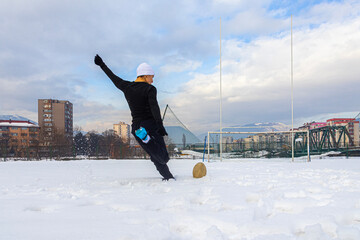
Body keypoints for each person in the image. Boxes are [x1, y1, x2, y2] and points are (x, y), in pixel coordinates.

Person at [94, 54, 175, 181]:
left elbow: (114, 78)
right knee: (164, 157)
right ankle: (147, 139)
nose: (152, 80)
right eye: (151, 77)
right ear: (145, 75)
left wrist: (102, 65)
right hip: (151, 125)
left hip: (137, 128)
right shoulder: (150, 89)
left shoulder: (127, 87)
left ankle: (168, 177)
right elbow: (154, 107)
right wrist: (160, 126)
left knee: (154, 155)